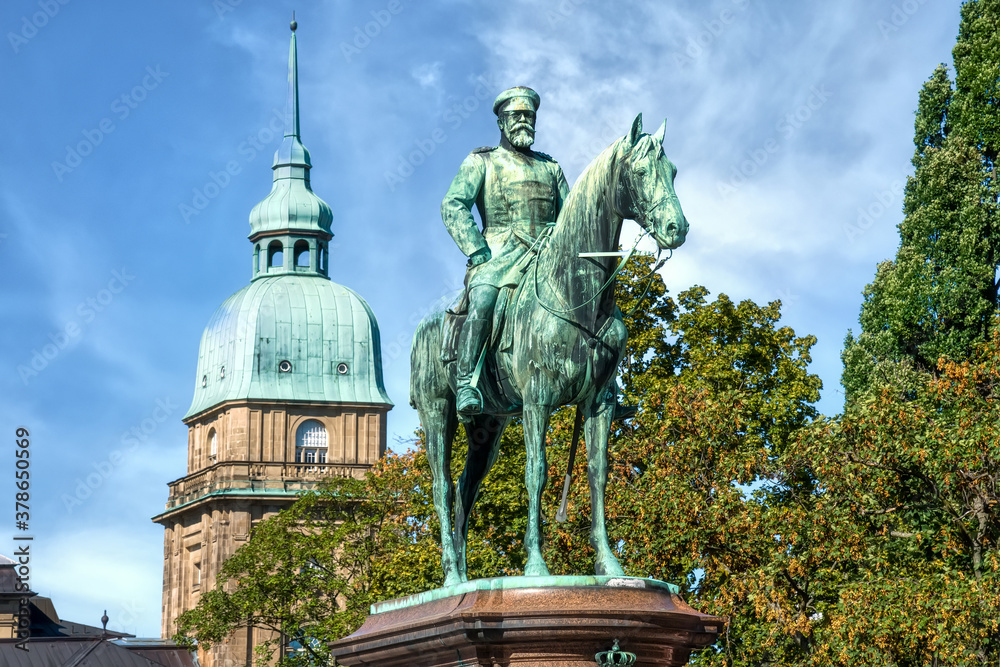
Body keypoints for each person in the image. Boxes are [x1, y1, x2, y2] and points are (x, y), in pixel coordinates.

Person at [441, 86, 569, 417]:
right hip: (500, 252)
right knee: (483, 299)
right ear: (501, 121)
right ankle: (468, 381)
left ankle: (606, 384)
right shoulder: (482, 161)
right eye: (516, 116)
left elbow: (570, 216)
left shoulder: (551, 168)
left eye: (529, 116)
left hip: (547, 254)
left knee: (593, 296)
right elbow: (453, 205)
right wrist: (476, 248)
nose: (524, 121)